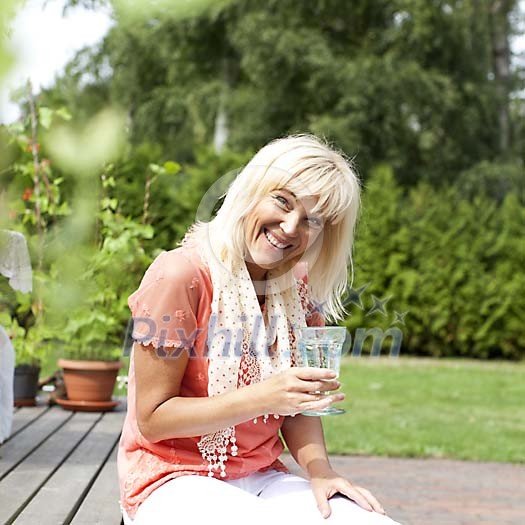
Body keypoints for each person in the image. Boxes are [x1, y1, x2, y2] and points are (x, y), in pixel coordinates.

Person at [118, 134, 402, 525]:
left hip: (264, 477)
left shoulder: (298, 290)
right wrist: (266, 396)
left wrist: (321, 472)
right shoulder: (180, 275)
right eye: (283, 201)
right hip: (171, 477)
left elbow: (296, 408)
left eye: (311, 220)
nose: (290, 227)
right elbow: (152, 419)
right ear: (252, 191)